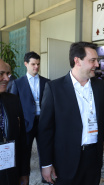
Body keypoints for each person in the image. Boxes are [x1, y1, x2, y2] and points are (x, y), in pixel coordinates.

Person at [38, 42, 104, 185]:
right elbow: (45, 130)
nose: (97, 65)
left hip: (94, 156)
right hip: (66, 159)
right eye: (92, 60)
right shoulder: (54, 88)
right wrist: (46, 163)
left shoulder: (99, 86)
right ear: (77, 60)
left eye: (96, 60)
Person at [10, 51, 50, 183]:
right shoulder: (18, 83)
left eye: (38, 64)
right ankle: (24, 178)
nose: (36, 67)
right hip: (26, 123)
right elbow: (14, 105)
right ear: (26, 64)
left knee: (45, 150)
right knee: (25, 152)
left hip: (43, 122)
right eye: (33, 64)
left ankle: (46, 178)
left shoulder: (47, 82)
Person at [0, 59, 29, 185]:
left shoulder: (13, 100)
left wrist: (23, 172)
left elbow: (22, 139)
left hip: (10, 170)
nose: (7, 78)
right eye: (1, 74)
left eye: (8, 73)